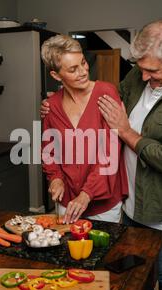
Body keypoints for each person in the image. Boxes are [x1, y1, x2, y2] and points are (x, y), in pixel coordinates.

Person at [42, 20, 162, 290]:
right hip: (134, 202)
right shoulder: (141, 73)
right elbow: (104, 100)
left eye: (151, 70)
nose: (143, 77)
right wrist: (58, 99)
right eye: (141, 68)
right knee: (137, 275)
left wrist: (124, 130)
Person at [40, 34, 128, 224]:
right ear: (56, 75)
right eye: (73, 69)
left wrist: (87, 194)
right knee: (68, 251)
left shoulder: (106, 93)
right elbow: (49, 150)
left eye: (83, 63)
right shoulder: (52, 105)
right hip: (68, 202)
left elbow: (110, 152)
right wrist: (55, 178)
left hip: (103, 204)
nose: (83, 71)